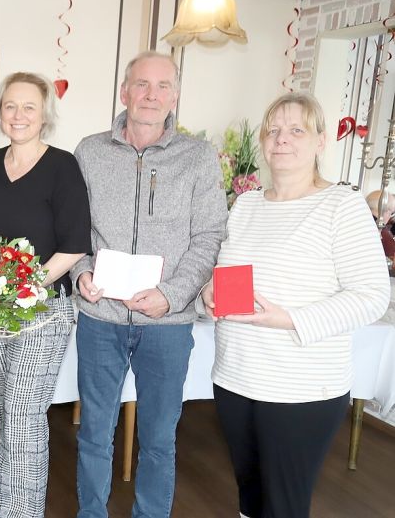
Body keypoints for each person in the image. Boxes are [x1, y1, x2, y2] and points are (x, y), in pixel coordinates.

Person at [201, 92, 390, 518]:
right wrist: (206, 294)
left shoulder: (341, 206)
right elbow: (224, 271)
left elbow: (373, 295)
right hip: (235, 377)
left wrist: (290, 319)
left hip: (301, 388)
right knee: (250, 499)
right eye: (273, 130)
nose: (280, 139)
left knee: (284, 506)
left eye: (296, 130)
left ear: (321, 141)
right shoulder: (246, 204)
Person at [69, 51, 228, 517]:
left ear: (175, 96)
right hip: (101, 318)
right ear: (124, 92)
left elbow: (210, 237)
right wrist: (81, 273)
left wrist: (172, 295)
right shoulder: (89, 151)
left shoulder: (198, 157)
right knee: (94, 433)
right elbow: (72, 230)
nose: (151, 95)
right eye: (142, 84)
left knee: (159, 438)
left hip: (168, 323)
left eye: (162, 86)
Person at [0, 72, 91, 518]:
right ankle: (11, 505)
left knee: (22, 418)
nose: (18, 115)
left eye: (29, 107)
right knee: (2, 419)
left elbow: (73, 246)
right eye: (10, 106)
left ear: (45, 115)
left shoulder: (62, 166)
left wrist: (22, 288)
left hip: (44, 312)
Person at [364, 189, 395, 259]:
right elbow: (392, 254)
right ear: (386, 210)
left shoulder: (361, 222)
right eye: (391, 213)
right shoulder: (382, 232)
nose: (390, 217)